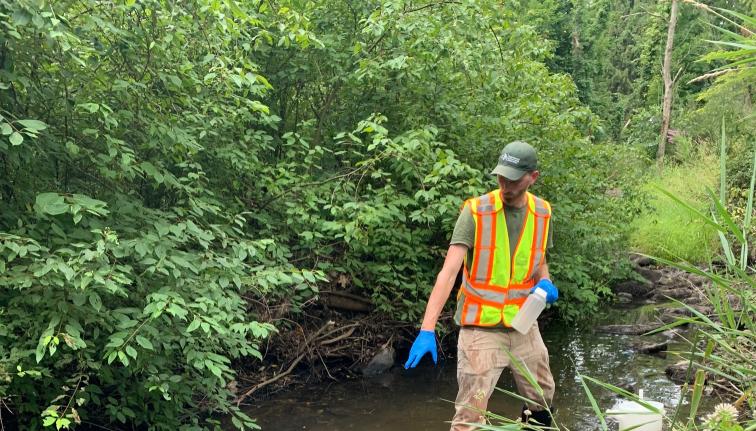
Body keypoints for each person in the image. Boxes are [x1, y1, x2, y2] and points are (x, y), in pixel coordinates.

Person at [404, 141, 558, 430]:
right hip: (480, 331)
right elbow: (449, 273)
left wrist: (545, 280)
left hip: (524, 325)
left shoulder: (543, 213)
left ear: (532, 177)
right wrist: (427, 329)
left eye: (513, 179)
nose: (505, 184)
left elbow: (539, 260)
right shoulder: (476, 212)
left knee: (543, 401)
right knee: (470, 416)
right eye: (501, 176)